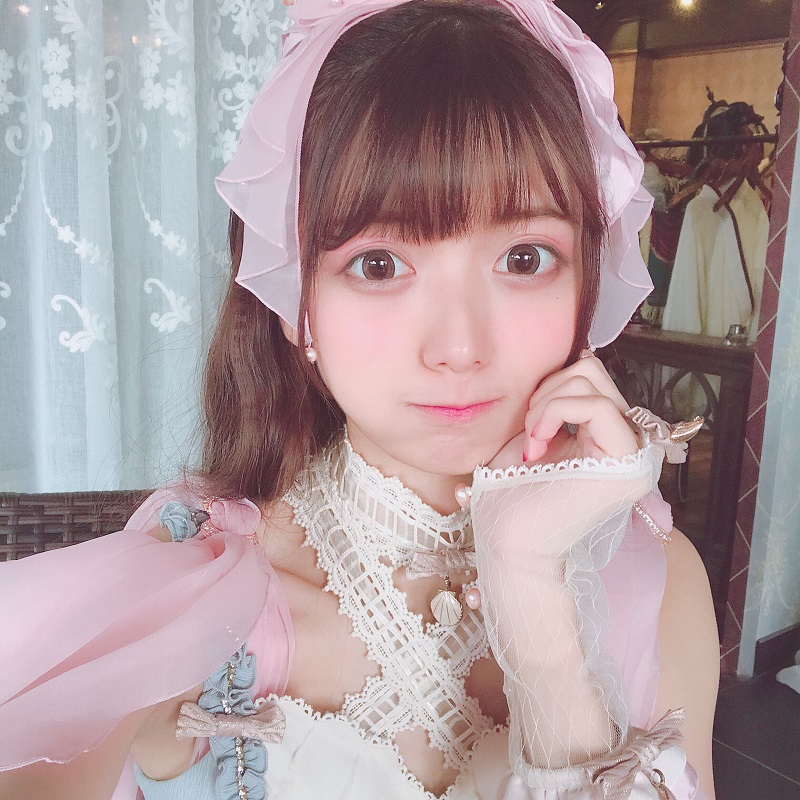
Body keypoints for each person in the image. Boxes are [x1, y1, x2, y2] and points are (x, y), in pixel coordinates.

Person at [0, 1, 719, 798]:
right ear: (295, 304)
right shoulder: (184, 596)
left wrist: (536, 594)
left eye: (524, 258)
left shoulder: (660, 579)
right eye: (379, 265)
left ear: (588, 275)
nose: (458, 347)